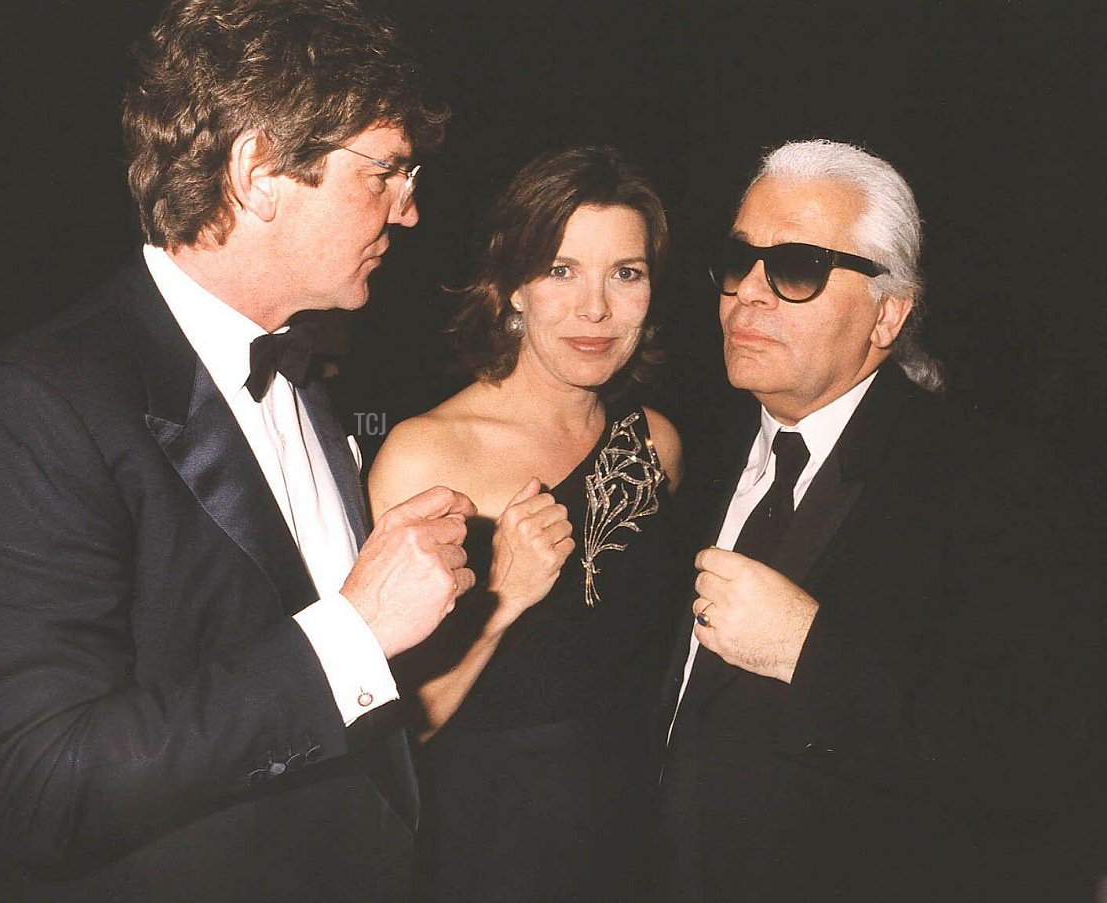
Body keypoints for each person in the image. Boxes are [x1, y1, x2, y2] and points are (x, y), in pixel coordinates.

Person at [0, 1, 478, 900]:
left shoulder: (305, 372)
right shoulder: (33, 407)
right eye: (387, 171)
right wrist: (355, 629)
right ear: (258, 172)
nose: (408, 210)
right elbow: (41, 786)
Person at [659, 139, 1101, 902]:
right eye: (739, 261)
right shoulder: (692, 450)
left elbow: (1046, 754)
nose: (748, 295)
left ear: (888, 314)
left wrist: (810, 651)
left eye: (796, 267)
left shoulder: (998, 481)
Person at [368, 146, 684, 901]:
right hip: (487, 845)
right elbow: (393, 731)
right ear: (512, 287)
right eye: (561, 270)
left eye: (626, 273)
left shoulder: (658, 445)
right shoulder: (429, 453)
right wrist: (504, 598)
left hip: (640, 835)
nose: (596, 309)